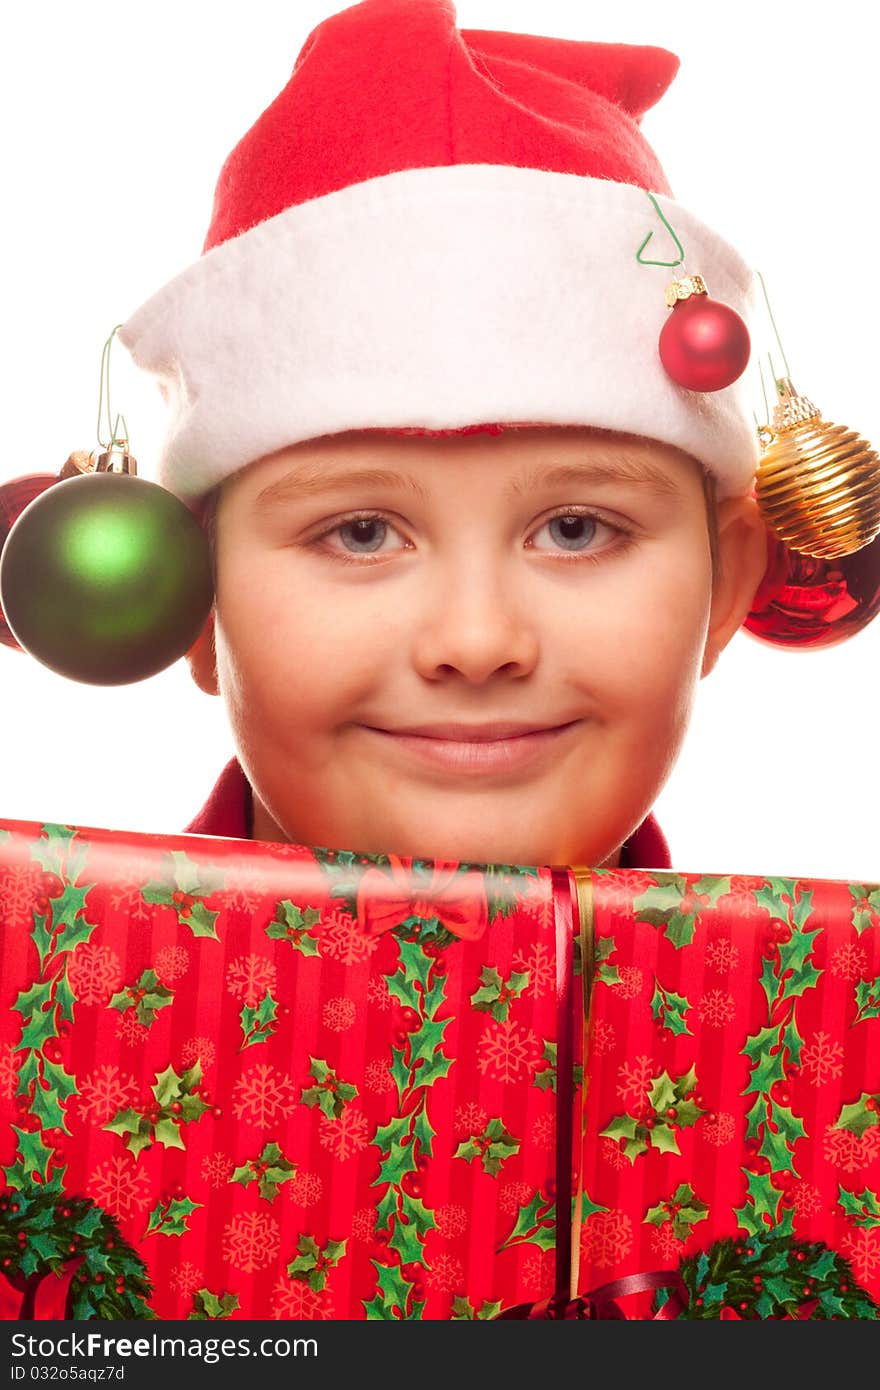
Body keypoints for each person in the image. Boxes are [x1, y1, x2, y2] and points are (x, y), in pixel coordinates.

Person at [117, 0, 770, 872]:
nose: (475, 643)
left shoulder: (836, 1008)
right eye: (361, 532)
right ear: (194, 602)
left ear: (730, 581)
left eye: (576, 528)